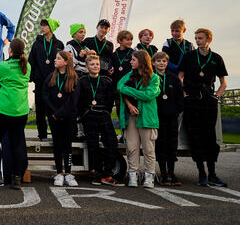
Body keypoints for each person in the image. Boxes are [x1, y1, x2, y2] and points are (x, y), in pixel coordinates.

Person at [179, 28, 228, 187]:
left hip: (208, 100)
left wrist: (216, 97)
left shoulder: (216, 58)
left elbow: (223, 82)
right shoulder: (189, 56)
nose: (197, 40)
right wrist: (185, 94)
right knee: (195, 137)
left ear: (209, 39)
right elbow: (180, 77)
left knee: (210, 137)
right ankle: (202, 174)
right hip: (192, 100)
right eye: (196, 38)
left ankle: (213, 174)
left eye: (200, 38)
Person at [0, 38, 31, 190]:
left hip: (4, 111)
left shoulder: (3, 66)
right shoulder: (26, 66)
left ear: (10, 50)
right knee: (16, 144)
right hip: (21, 111)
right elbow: (10, 71)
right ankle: (16, 178)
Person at [76, 55, 121, 186]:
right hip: (89, 116)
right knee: (93, 146)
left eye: (97, 64)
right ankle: (98, 174)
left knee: (112, 142)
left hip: (104, 115)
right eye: (92, 64)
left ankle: (107, 174)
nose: (95, 66)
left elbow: (110, 99)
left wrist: (106, 111)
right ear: (87, 66)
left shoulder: (106, 81)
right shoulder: (82, 81)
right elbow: (79, 101)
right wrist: (84, 113)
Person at [117, 50, 160, 188]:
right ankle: (133, 175)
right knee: (132, 147)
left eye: (133, 59)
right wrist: (130, 103)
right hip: (130, 117)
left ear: (141, 61)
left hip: (147, 118)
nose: (131, 62)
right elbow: (119, 87)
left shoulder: (154, 78)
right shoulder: (129, 75)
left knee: (148, 149)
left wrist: (131, 92)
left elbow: (148, 95)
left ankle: (149, 176)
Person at [43, 51, 79, 187]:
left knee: (67, 145)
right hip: (54, 117)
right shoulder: (51, 77)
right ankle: (59, 173)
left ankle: (69, 173)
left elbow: (73, 100)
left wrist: (61, 113)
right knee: (57, 145)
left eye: (58, 58)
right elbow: (45, 95)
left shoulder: (74, 78)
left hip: (68, 117)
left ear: (66, 62)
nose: (55, 60)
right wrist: (55, 112)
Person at [28, 18, 64, 141]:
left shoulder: (59, 44)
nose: (42, 28)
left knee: (54, 108)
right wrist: (32, 77)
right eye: (41, 25)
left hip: (54, 81)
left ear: (51, 27)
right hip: (40, 81)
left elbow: (62, 62)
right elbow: (31, 61)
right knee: (40, 109)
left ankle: (55, 133)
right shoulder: (37, 43)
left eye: (45, 25)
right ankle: (42, 134)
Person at [152, 51, 184, 186]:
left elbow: (180, 98)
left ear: (167, 63)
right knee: (161, 144)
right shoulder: (151, 78)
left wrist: (176, 111)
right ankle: (163, 173)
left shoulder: (173, 78)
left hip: (171, 117)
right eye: (158, 61)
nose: (161, 63)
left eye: (164, 61)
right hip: (157, 117)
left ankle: (172, 172)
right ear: (153, 63)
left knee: (172, 145)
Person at [111, 30, 135, 118]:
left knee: (131, 111)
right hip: (117, 87)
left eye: (131, 40)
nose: (130, 42)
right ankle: (123, 131)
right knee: (120, 111)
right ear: (120, 41)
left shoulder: (134, 54)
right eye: (127, 39)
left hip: (129, 87)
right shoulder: (113, 55)